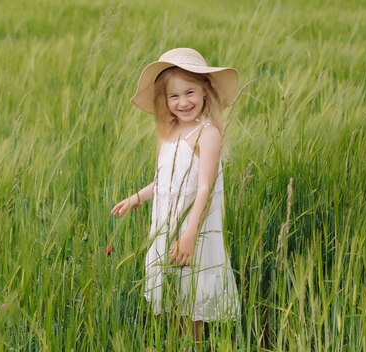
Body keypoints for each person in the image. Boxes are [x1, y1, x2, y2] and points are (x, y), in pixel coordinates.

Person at [110, 48, 241, 344]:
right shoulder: (168, 132)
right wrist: (136, 198)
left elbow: (205, 188)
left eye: (190, 92)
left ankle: (193, 344)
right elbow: (164, 182)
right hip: (166, 229)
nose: (183, 103)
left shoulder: (207, 133)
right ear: (164, 101)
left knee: (192, 295)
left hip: (193, 230)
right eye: (174, 96)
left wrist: (189, 234)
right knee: (174, 299)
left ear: (206, 91)